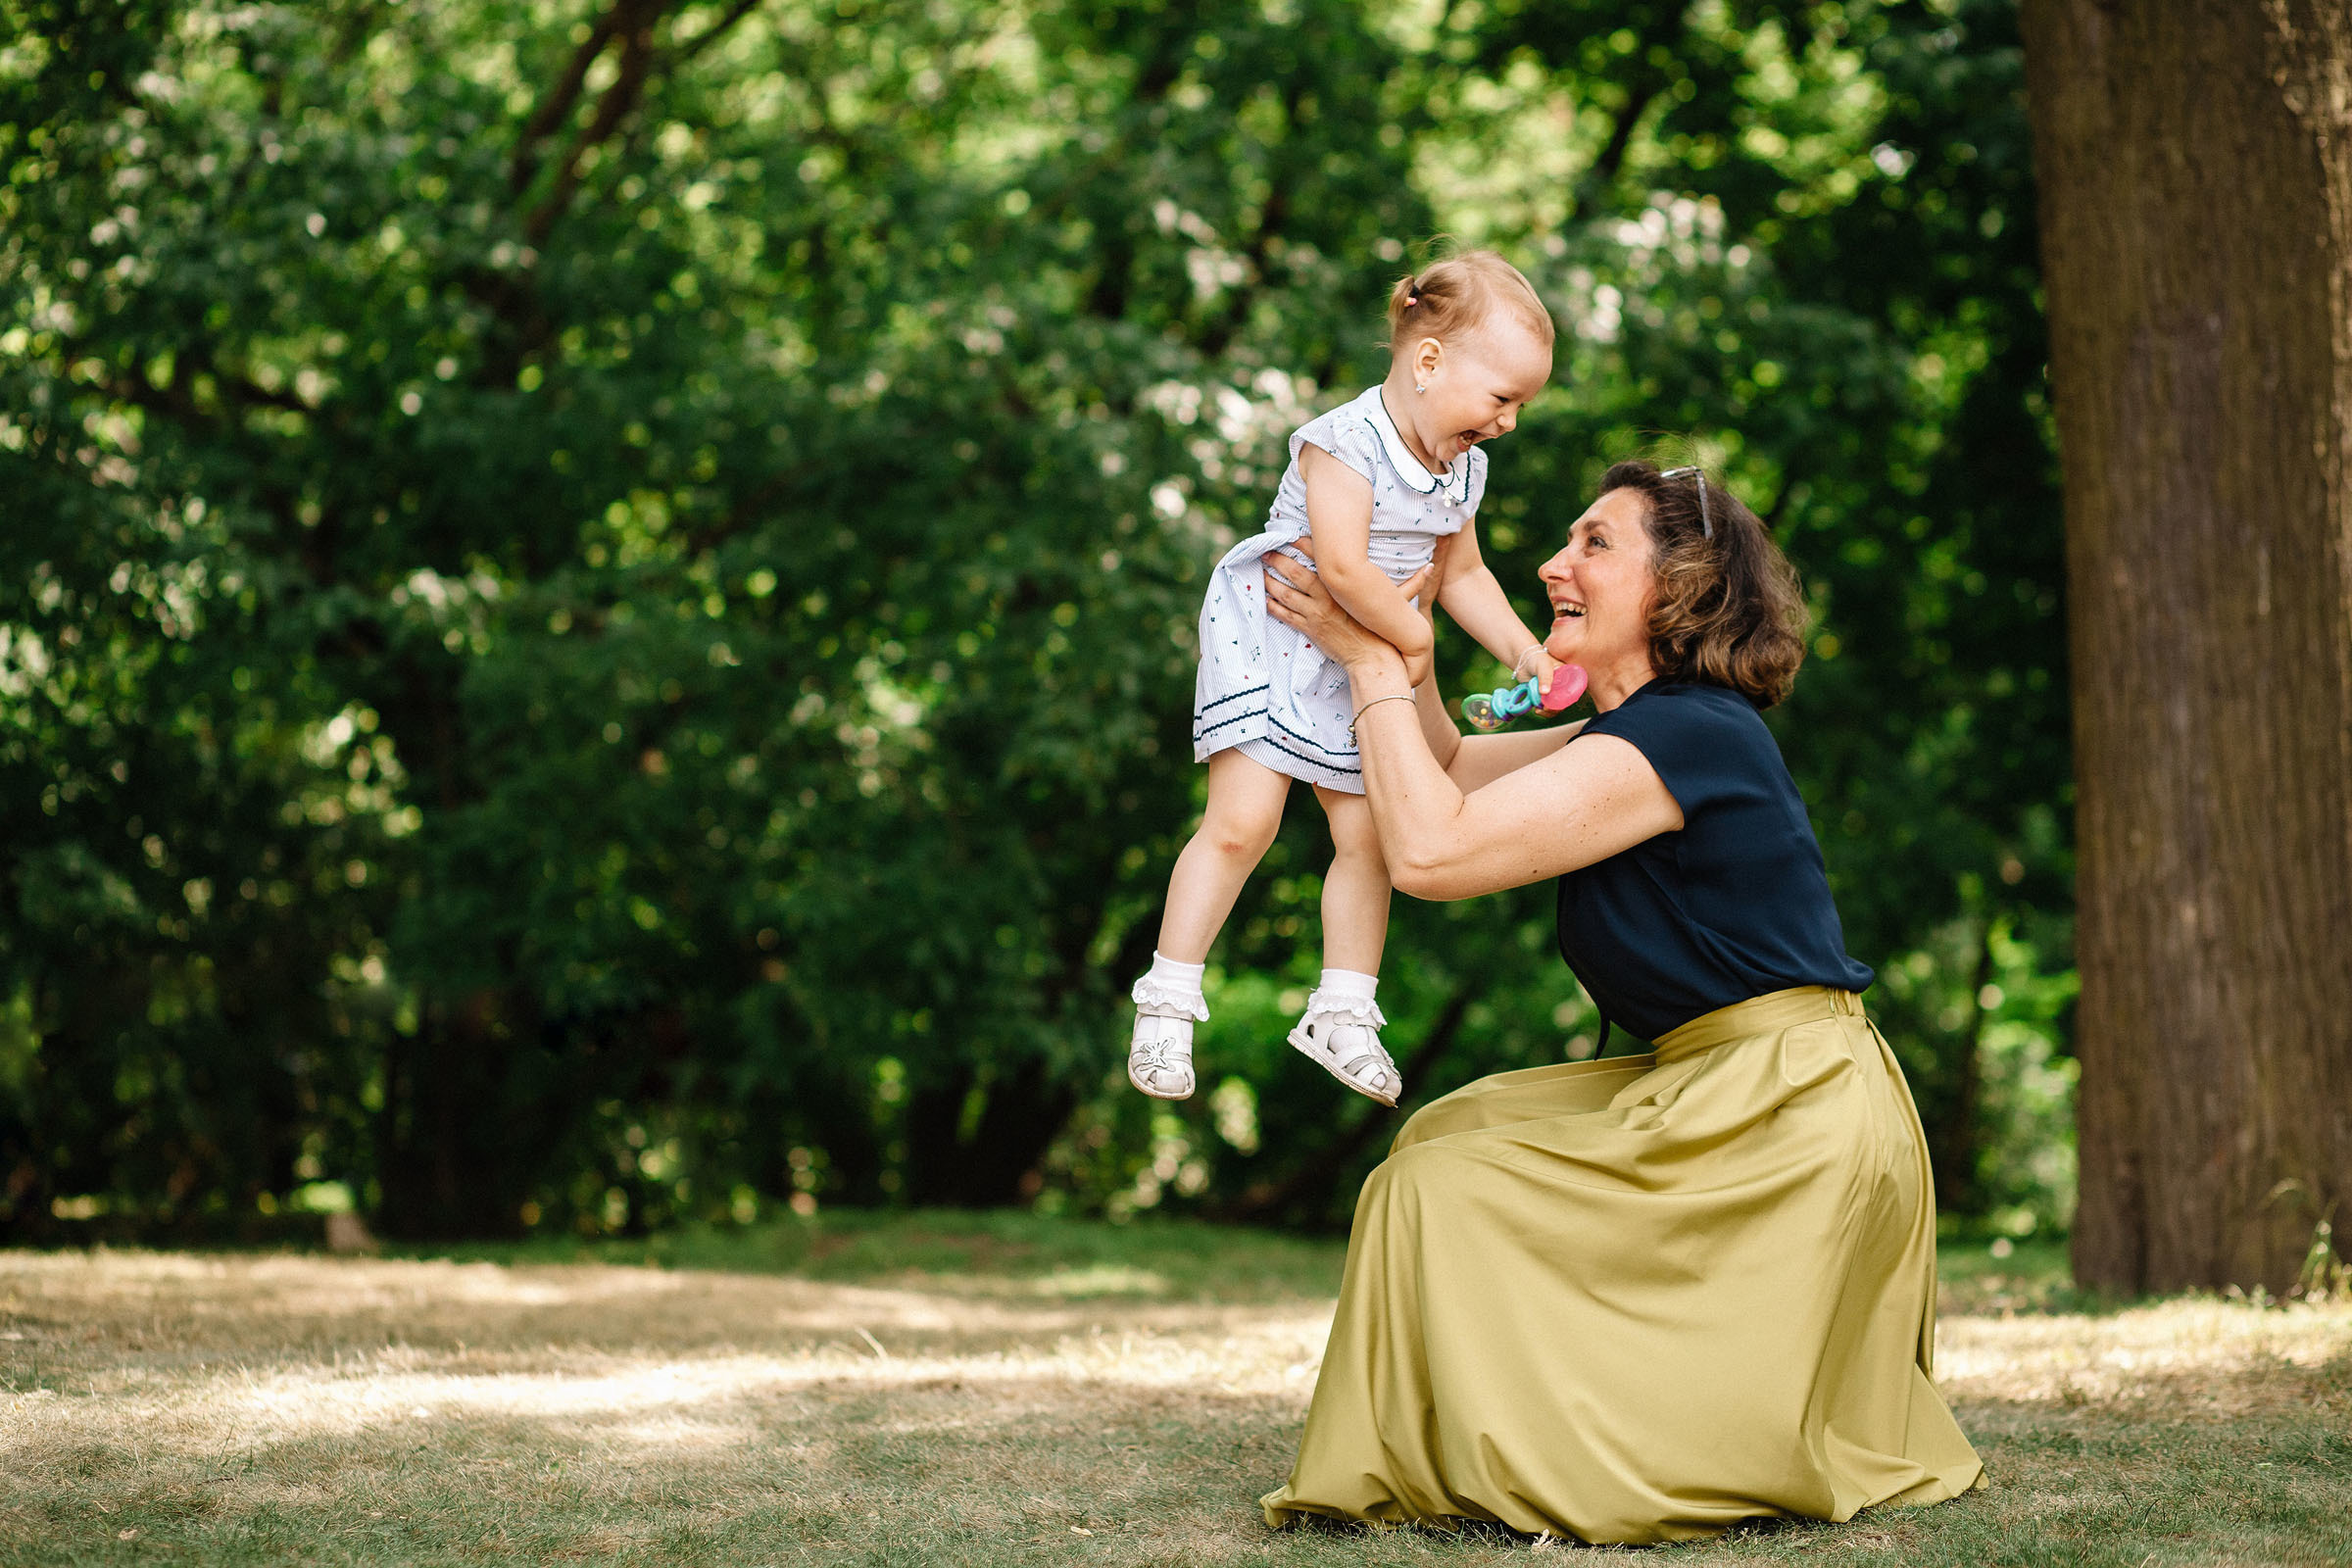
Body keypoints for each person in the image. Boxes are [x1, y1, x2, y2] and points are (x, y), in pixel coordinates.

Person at [1252, 461, 1984, 1544]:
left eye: (1595, 543)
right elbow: (1446, 768)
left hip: (1786, 1116)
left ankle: (1534, 1447)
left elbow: (1429, 848)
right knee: (1452, 1128)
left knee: (1437, 1188)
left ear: (1680, 586)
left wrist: (1366, 658)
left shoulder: (1688, 733)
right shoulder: (1635, 734)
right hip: (1736, 1083)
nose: (1553, 563)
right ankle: (1469, 1438)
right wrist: (1403, 651)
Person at [1129, 251, 1564, 1109]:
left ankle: (1343, 1009)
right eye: (1502, 398)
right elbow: (1340, 566)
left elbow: (1465, 573)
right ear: (1429, 362)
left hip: (1364, 658)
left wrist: (1527, 654)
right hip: (1282, 634)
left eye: (1521, 405)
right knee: (1242, 823)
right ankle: (1168, 996)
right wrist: (1411, 642)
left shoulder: (1462, 467)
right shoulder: (1344, 441)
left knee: (1370, 842)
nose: (1510, 422)